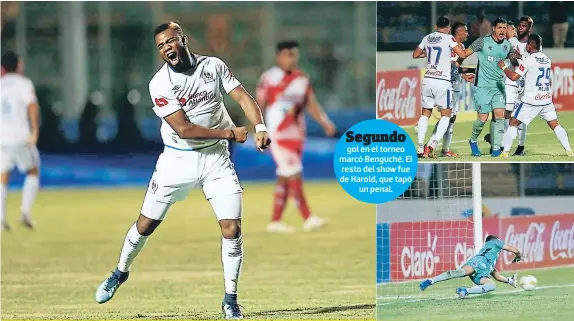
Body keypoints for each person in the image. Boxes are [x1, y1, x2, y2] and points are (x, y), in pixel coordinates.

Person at [94, 22, 271, 320]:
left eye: (170, 42)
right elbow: (185, 129)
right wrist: (229, 134)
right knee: (146, 224)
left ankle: (230, 299)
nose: (166, 49)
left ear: (183, 40)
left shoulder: (213, 66)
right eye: (161, 46)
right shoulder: (159, 84)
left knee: (232, 228)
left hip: (216, 159)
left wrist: (261, 126)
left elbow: (242, 97)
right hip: (177, 160)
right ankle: (120, 272)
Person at [256, 40, 336, 233]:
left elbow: (311, 104)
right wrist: (258, 130)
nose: (290, 59)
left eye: (293, 55)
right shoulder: (270, 78)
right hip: (277, 134)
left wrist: (325, 122)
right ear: (279, 57)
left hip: (296, 135)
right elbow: (258, 104)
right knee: (294, 173)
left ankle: (275, 221)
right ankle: (308, 217)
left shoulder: (302, 79)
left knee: (285, 176)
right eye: (287, 55)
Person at [499, 34, 573, 157]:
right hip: (546, 99)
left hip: (531, 100)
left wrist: (504, 67)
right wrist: (522, 57)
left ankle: (505, 152)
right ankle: (569, 150)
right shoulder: (546, 59)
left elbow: (513, 77)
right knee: (555, 125)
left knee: (513, 122)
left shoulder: (529, 60)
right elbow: (534, 64)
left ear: (529, 45)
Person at [412, 16, 468, 158]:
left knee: (425, 113)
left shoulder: (427, 38)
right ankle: (433, 144)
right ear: (449, 28)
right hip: (442, 80)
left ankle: (419, 147)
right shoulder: (449, 38)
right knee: (446, 115)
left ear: (436, 27)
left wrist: (430, 52)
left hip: (428, 78)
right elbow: (462, 54)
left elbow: (415, 54)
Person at [457, 18, 514, 157]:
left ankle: (496, 148)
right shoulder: (482, 41)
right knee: (482, 118)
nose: (502, 31)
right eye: (499, 27)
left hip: (499, 86)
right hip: (482, 86)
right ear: (493, 28)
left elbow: (511, 61)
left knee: (500, 116)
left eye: (504, 28)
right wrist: (460, 71)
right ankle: (473, 140)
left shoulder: (507, 45)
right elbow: (463, 55)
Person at [0, 51, 40, 231]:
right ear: (17, 65)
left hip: (2, 136)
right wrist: (34, 130)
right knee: (33, 171)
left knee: (2, 176)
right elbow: (31, 105)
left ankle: (1, 219)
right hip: (20, 135)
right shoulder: (24, 84)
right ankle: (24, 212)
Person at [487, 17, 536, 156]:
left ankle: (521, 146)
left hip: (525, 84)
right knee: (506, 113)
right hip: (510, 81)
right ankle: (501, 145)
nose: (520, 28)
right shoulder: (511, 42)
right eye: (519, 25)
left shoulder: (532, 44)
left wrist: (520, 58)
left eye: (524, 26)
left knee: (521, 116)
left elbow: (532, 63)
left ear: (529, 28)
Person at [419, 235, 521, 298]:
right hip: (478, 262)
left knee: (492, 285)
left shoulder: (491, 263)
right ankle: (430, 281)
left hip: (482, 273)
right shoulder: (494, 241)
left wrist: (509, 281)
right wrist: (518, 257)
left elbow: (498, 277)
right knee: (459, 273)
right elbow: (515, 250)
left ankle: (465, 291)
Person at [427, 21, 472, 157]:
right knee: (448, 116)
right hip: (446, 86)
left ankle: (444, 149)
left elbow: (456, 68)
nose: (468, 33)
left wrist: (464, 74)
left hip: (455, 86)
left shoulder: (462, 46)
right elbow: (451, 66)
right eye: (465, 31)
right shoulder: (448, 45)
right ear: (458, 32)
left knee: (451, 118)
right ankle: (431, 145)